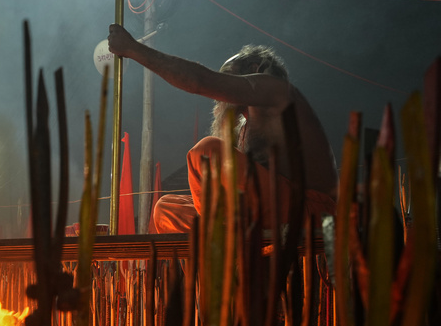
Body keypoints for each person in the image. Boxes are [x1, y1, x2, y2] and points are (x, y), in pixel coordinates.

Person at [106, 24, 338, 233]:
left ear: (254, 68)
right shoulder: (246, 124)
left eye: (227, 76)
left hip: (308, 209)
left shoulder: (277, 91)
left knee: (206, 151)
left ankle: (220, 236)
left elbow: (200, 81)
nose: (223, 90)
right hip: (263, 209)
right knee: (167, 209)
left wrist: (133, 49)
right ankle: (221, 242)